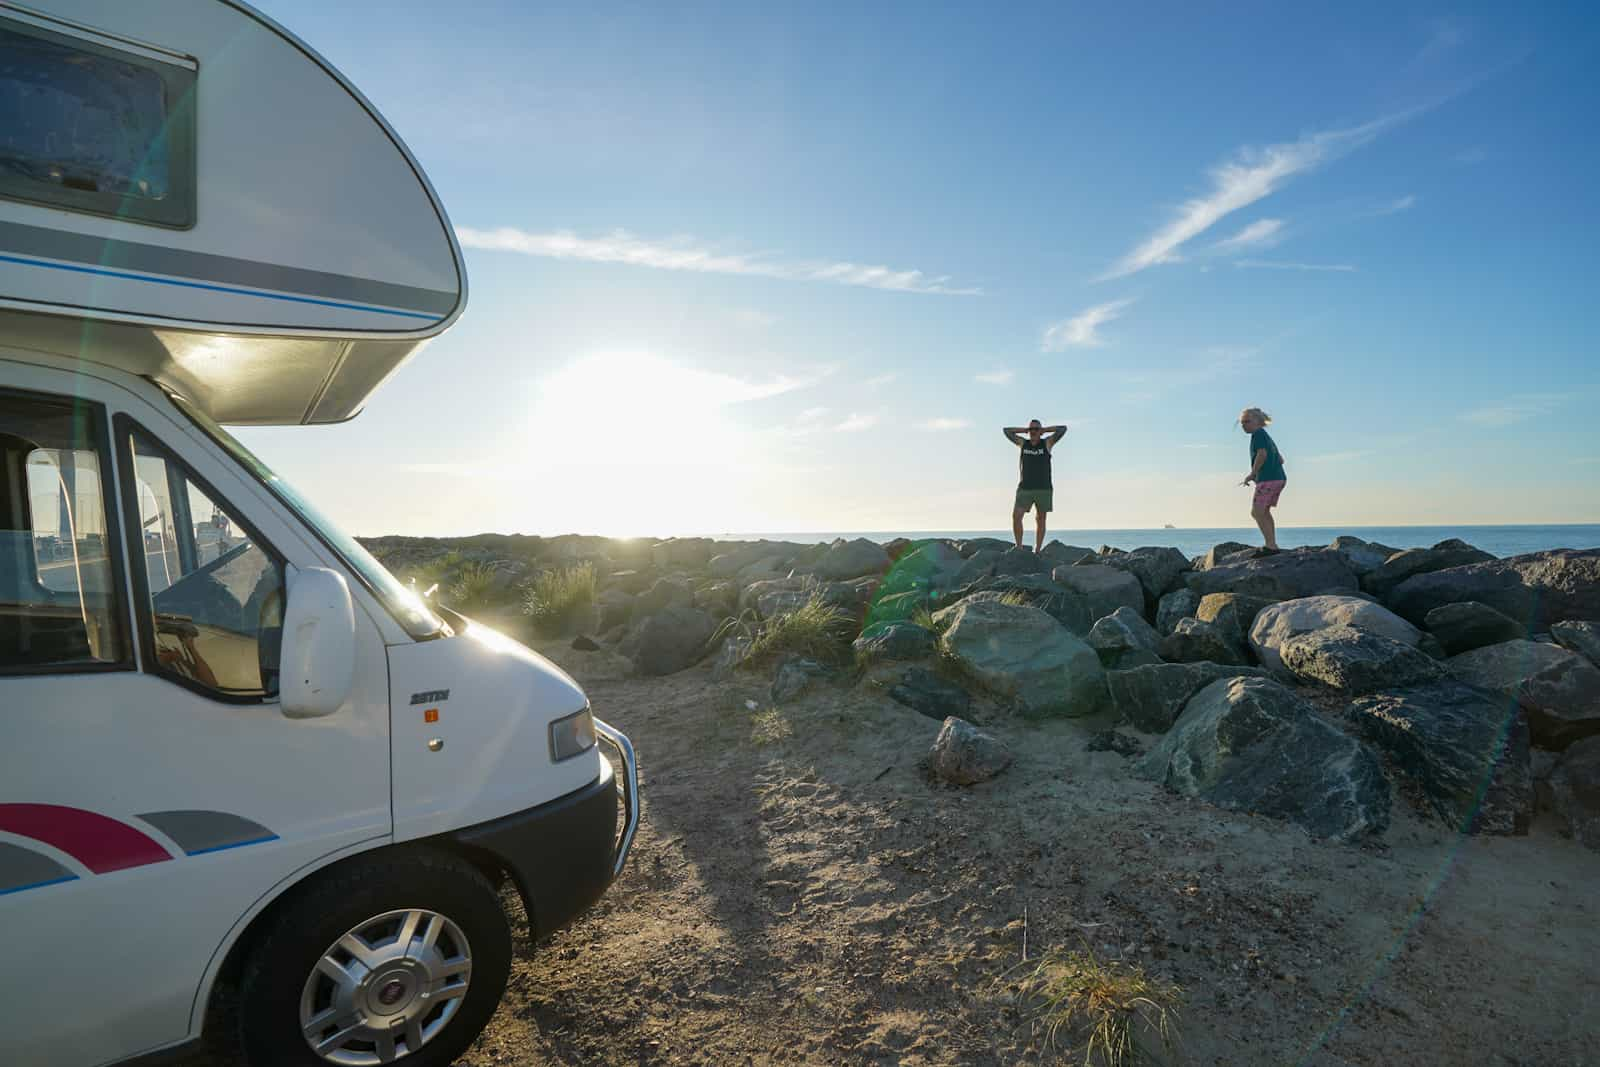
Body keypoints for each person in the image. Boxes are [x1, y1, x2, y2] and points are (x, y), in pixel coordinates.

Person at [1003, 419, 1067, 552]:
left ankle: (1038, 549)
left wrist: (1045, 430)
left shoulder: (1047, 443)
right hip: (1025, 488)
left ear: (1040, 431)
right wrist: (1024, 430)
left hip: (1043, 488)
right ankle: (1019, 546)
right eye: (1031, 429)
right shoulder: (1023, 443)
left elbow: (1062, 429)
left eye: (1036, 429)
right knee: (1016, 516)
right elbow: (1006, 431)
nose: (1033, 432)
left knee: (1041, 518)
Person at [1238, 407, 1286, 553]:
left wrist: (1253, 473)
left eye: (1247, 421)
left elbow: (1262, 454)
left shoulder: (1258, 435)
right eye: (1241, 422)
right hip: (1278, 478)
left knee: (1257, 512)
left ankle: (1271, 546)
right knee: (1263, 511)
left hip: (1269, 480)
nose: (1244, 425)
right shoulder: (1266, 436)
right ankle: (1272, 544)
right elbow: (1281, 459)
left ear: (1258, 422)